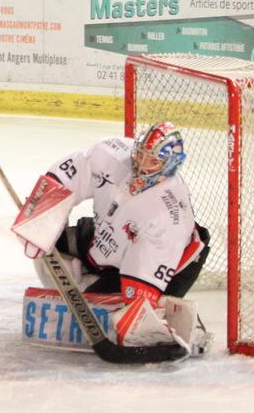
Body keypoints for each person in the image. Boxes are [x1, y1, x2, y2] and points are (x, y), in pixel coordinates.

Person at [13, 122, 212, 352]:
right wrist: (40, 214)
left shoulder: (166, 213)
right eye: (140, 154)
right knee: (50, 246)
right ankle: (92, 282)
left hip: (169, 265)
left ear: (170, 165)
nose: (141, 164)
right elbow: (69, 175)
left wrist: (135, 317)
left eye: (152, 161)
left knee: (106, 317)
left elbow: (140, 283)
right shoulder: (110, 153)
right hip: (109, 239)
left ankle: (180, 324)